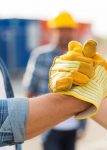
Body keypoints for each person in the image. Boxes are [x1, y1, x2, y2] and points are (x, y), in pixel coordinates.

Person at [23, 11, 86, 150]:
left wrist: (83, 125)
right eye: (61, 29)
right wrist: (32, 122)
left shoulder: (81, 59)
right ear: (54, 31)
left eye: (68, 29)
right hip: (48, 127)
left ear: (74, 32)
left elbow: (86, 94)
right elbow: (29, 90)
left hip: (73, 127)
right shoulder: (40, 55)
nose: (65, 33)